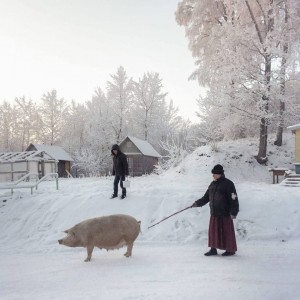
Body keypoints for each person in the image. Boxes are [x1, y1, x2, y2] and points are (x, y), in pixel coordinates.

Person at [191, 164, 239, 256]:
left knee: (226, 232)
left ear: (220, 174)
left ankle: (230, 250)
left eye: (215, 174)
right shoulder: (212, 184)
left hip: (225, 213)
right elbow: (206, 197)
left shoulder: (228, 184)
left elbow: (234, 198)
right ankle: (213, 249)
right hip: (214, 213)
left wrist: (234, 212)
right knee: (213, 233)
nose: (213, 176)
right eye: (213, 174)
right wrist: (197, 203)